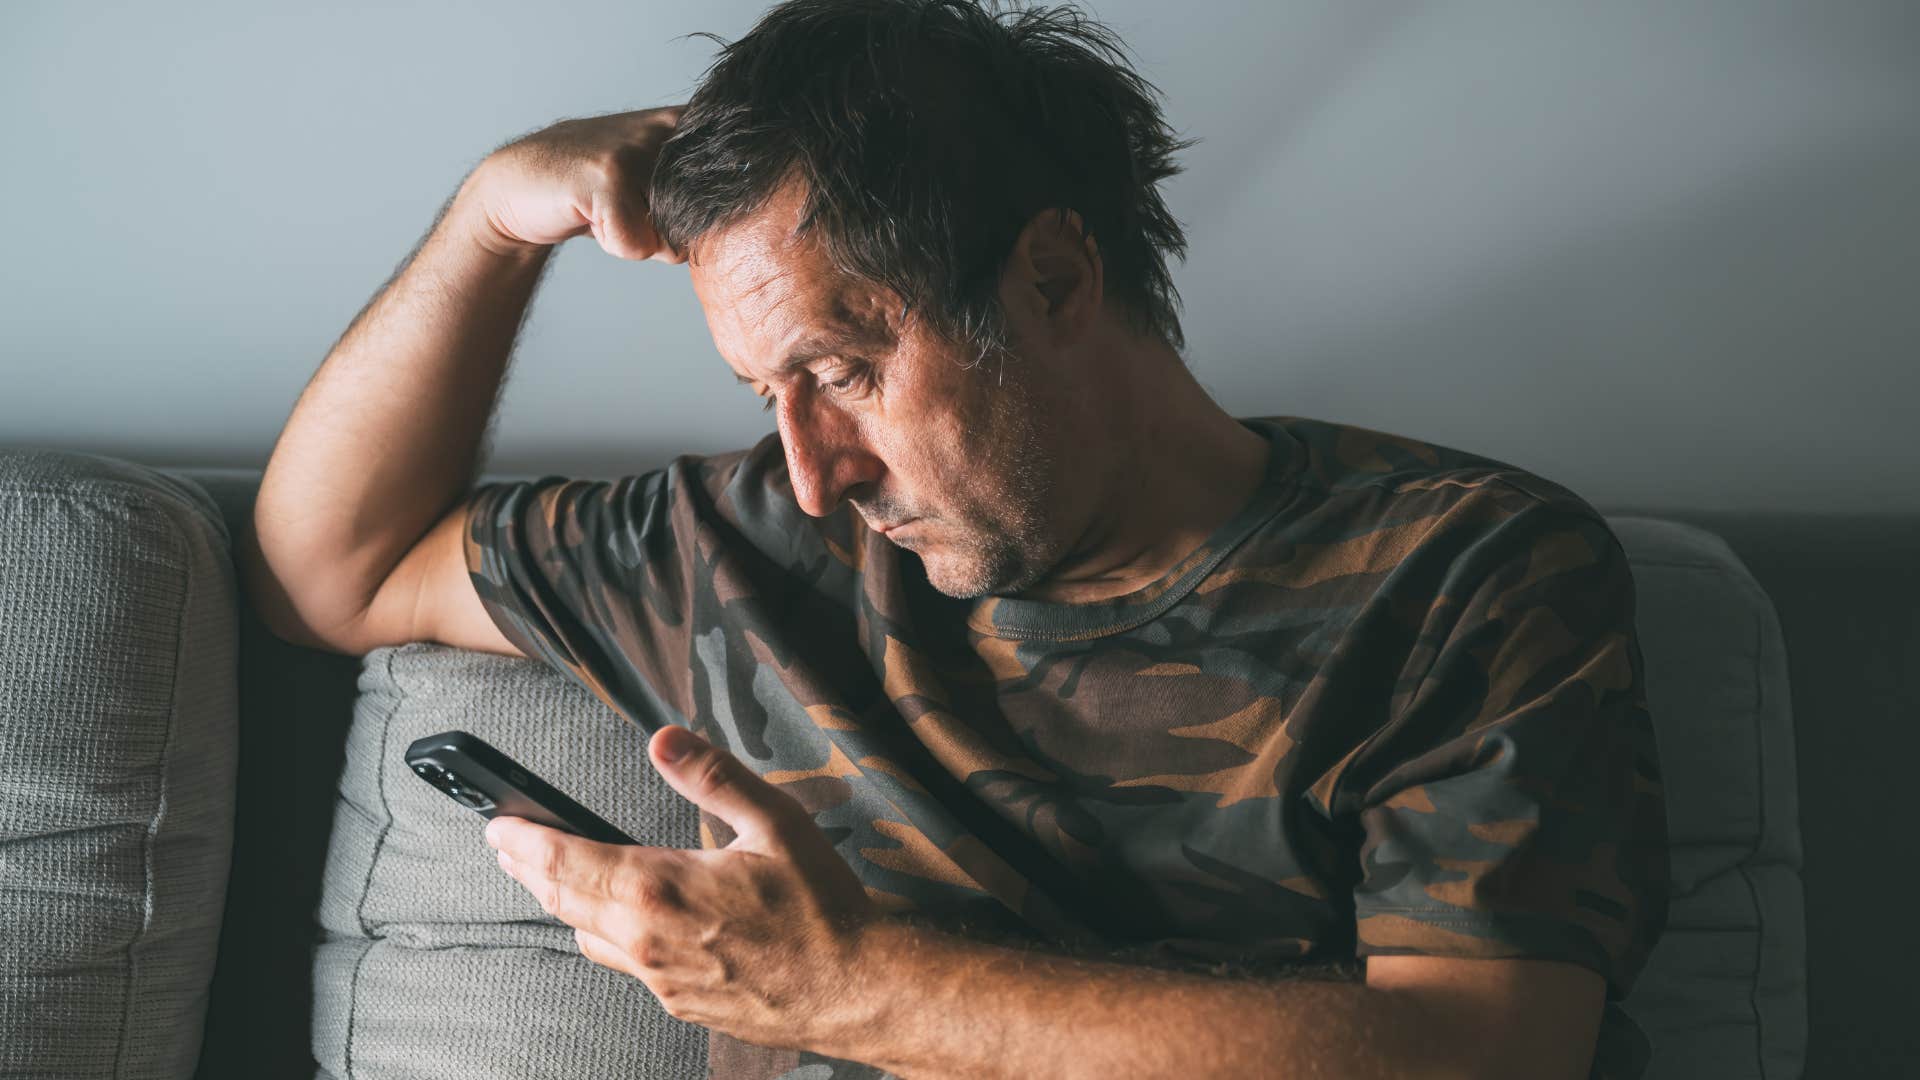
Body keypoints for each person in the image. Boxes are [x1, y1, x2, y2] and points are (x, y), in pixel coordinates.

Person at [242, 1, 1669, 1076]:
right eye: (766, 396)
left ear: (1052, 277)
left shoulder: (1464, 573)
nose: (811, 472)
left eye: (847, 374)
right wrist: (493, 222)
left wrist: (838, 987)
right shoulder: (731, 551)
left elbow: (1485, 1052)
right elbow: (329, 574)